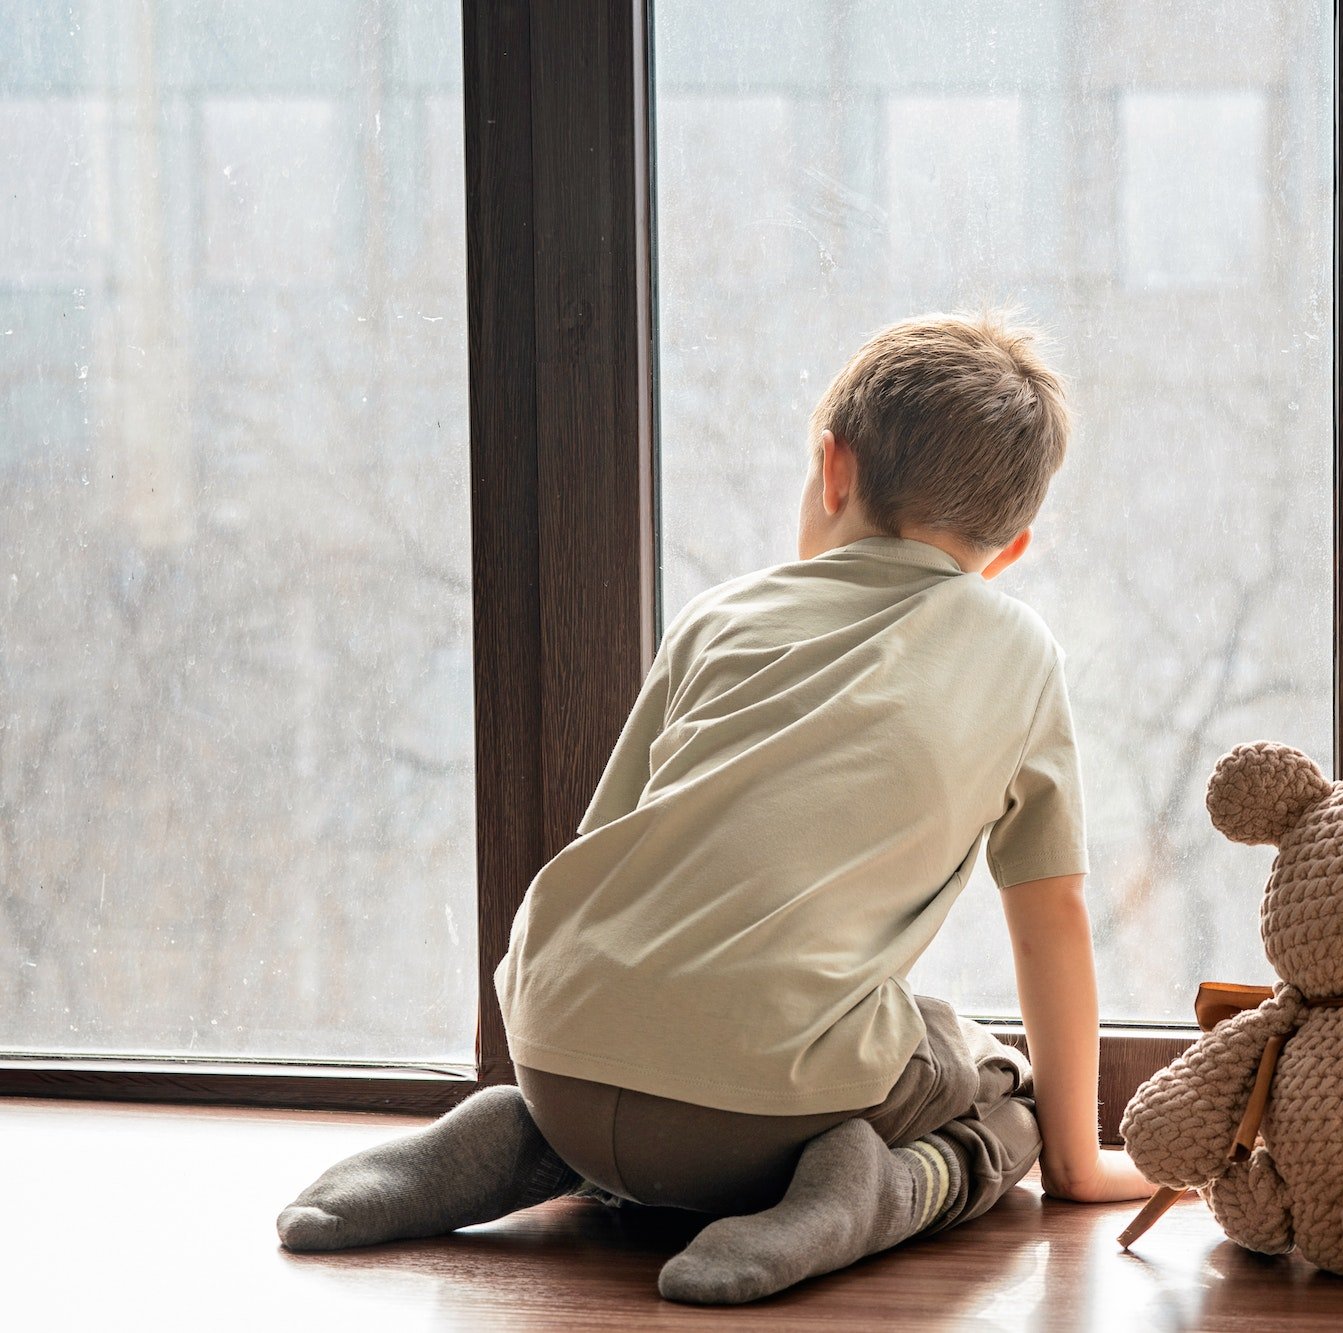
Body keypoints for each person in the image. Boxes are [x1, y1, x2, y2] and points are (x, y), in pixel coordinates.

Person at [274, 311, 1155, 1303]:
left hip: (560, 1048)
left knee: (691, 1050)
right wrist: (1076, 1164)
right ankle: (861, 1192)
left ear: (832, 469)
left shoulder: (719, 616)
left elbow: (604, 844)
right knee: (1002, 1093)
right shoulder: (1017, 654)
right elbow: (1050, 919)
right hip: (757, 1114)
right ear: (1011, 548)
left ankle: (521, 1139)